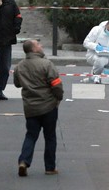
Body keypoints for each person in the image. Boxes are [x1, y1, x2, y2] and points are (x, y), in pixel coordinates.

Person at [13, 40, 63, 177]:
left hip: (30, 107)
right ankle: (50, 167)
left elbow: (17, 84)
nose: (41, 46)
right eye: (38, 45)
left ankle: (24, 161)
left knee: (31, 135)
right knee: (50, 137)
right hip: (48, 106)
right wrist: (58, 97)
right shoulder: (46, 64)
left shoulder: (20, 66)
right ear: (33, 49)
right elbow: (56, 84)